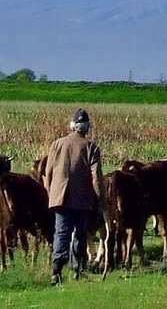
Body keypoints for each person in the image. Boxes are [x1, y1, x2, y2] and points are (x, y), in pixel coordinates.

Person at [40, 108, 102, 285]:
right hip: (82, 200)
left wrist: (51, 193)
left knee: (61, 232)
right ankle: (77, 269)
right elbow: (96, 177)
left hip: (59, 198)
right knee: (80, 234)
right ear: (87, 127)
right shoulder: (91, 147)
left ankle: (56, 270)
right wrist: (101, 200)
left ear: (72, 126)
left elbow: (48, 172)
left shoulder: (57, 144)